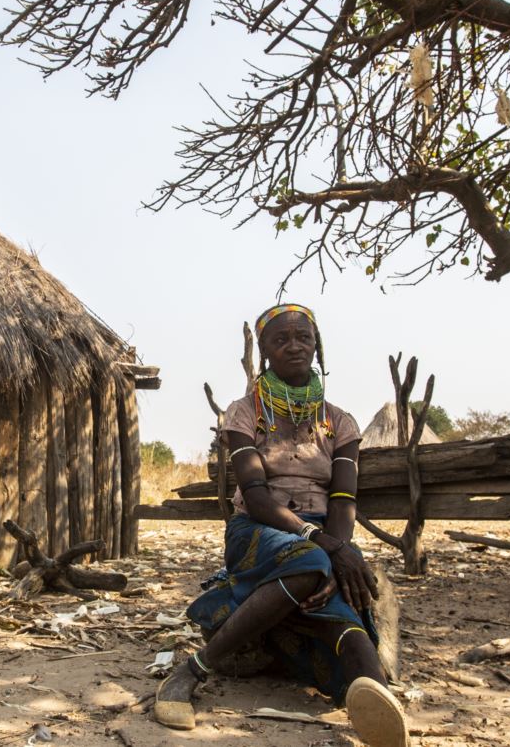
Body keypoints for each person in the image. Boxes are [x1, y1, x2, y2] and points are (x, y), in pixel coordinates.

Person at [155, 303, 407, 747]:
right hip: (257, 529)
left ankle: (378, 699)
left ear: (317, 346)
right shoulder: (243, 413)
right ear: (266, 351)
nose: (294, 346)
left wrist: (341, 551)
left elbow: (344, 500)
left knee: (352, 593)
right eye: (281, 339)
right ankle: (191, 671)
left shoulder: (340, 422)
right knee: (311, 562)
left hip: (323, 535)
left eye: (303, 338)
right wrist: (323, 546)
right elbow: (254, 494)